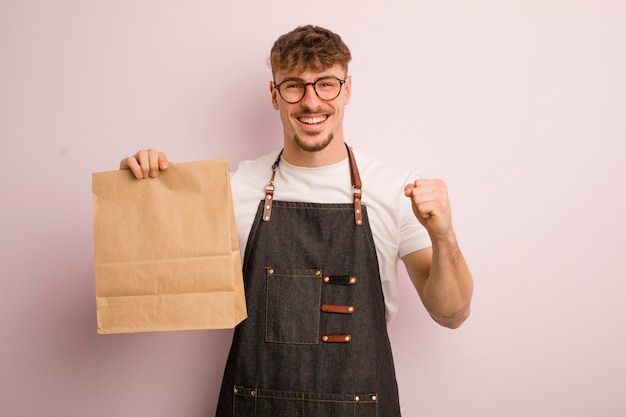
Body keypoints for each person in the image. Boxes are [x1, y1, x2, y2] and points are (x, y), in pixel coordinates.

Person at [120, 25, 473, 417]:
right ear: (274, 95)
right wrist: (142, 191)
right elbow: (155, 282)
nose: (310, 101)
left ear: (347, 89)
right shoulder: (235, 189)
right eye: (294, 86)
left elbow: (452, 314)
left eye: (326, 84)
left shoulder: (397, 190)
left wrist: (445, 237)